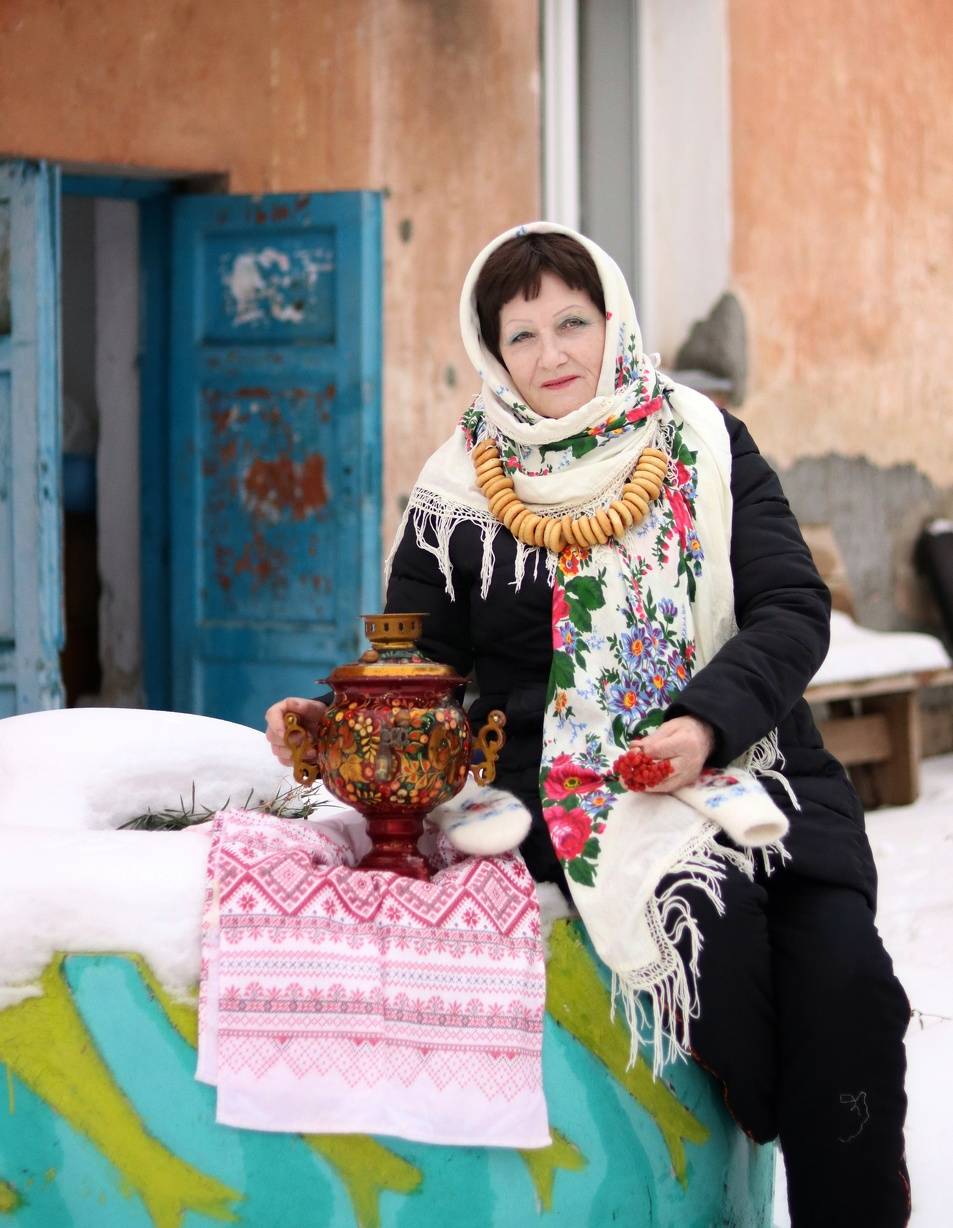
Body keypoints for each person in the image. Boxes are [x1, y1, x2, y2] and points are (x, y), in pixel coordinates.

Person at [266, 222, 909, 1227]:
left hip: (748, 767)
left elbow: (790, 609)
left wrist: (701, 725)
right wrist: (334, 720)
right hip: (567, 791)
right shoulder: (459, 487)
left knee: (846, 986)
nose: (551, 354)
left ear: (613, 320)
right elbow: (416, 663)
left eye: (571, 322)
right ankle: (780, 1125)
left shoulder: (702, 441)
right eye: (520, 335)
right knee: (718, 945)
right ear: (491, 351)